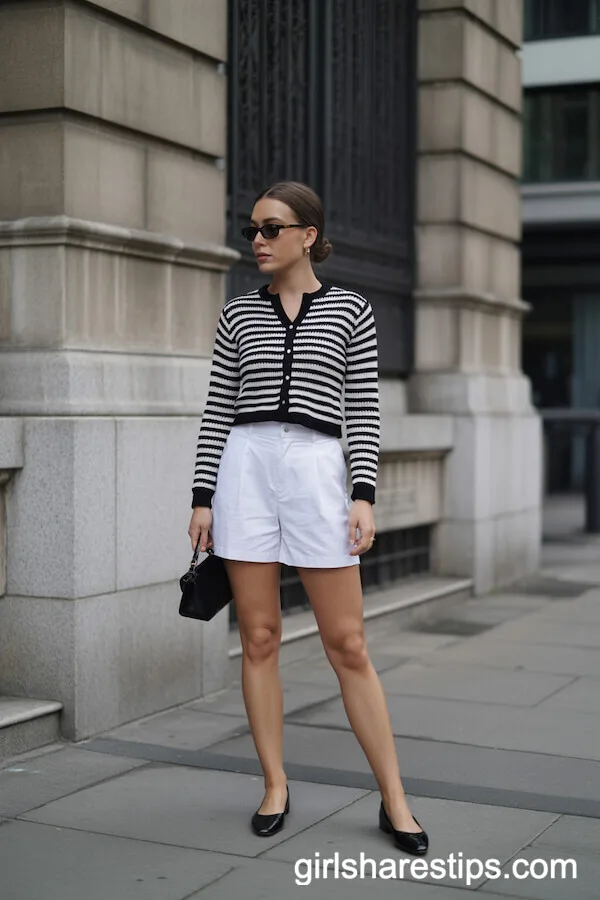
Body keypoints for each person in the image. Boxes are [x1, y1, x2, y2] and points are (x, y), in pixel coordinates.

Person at [188, 181, 428, 856]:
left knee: (347, 644)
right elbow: (216, 409)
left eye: (270, 228)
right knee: (259, 637)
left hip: (319, 474)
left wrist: (362, 493)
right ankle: (274, 783)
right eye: (251, 230)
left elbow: (364, 410)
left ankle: (395, 799)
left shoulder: (353, 310)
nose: (257, 241)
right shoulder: (238, 316)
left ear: (308, 235)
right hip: (247, 471)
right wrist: (203, 497)